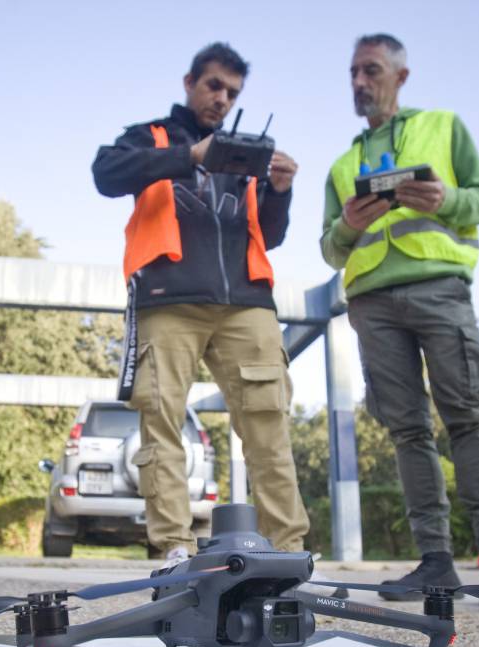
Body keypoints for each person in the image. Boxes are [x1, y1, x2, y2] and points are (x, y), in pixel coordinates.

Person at [320, 34, 479, 609]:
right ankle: (435, 564)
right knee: (407, 432)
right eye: (353, 72)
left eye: (370, 70)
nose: (358, 82)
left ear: (401, 75)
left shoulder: (445, 127)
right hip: (373, 305)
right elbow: (330, 248)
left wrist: (444, 199)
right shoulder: (343, 164)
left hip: (439, 290)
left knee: (469, 418)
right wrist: (348, 223)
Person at [92, 42, 309, 563]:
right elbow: (105, 174)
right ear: (189, 82)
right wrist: (188, 156)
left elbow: (271, 235)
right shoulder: (151, 136)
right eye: (214, 85)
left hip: (247, 301)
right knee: (160, 418)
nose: (222, 98)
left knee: (268, 424)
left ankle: (289, 551)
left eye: (232, 92)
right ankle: (173, 549)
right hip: (169, 298)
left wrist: (279, 189)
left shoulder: (248, 155)